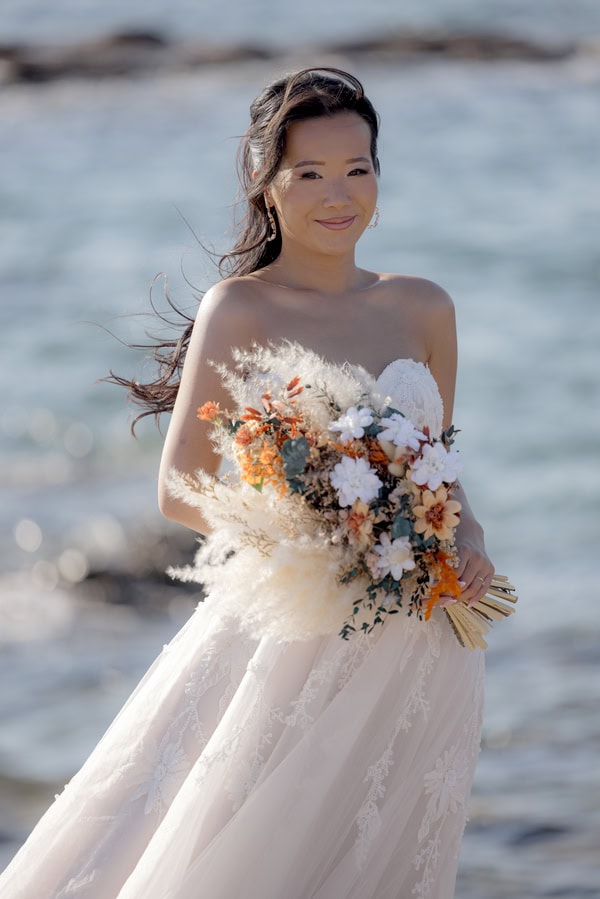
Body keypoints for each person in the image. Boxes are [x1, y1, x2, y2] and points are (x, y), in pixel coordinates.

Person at [0, 67, 493, 898]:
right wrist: (324, 540)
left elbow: (439, 466)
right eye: (310, 173)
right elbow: (180, 486)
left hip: (424, 639)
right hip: (293, 636)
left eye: (357, 168)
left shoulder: (425, 308)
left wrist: (469, 539)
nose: (338, 194)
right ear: (268, 185)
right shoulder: (239, 308)